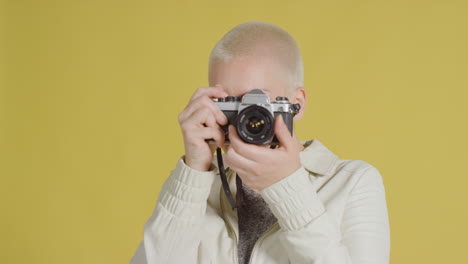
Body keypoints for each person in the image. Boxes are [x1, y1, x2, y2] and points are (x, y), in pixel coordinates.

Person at [130, 21, 390, 264]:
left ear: (296, 104)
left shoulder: (353, 182)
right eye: (229, 103)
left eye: (256, 102)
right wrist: (193, 170)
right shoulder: (200, 188)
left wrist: (287, 187)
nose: (246, 117)